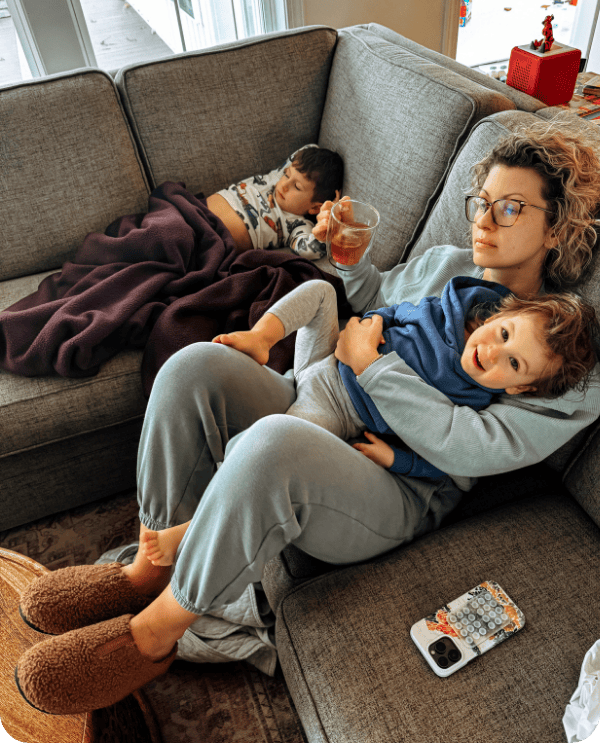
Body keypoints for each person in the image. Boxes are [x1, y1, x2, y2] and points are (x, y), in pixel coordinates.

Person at [15, 121, 600, 716]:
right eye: (481, 203)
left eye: (509, 208)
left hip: (395, 482)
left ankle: (156, 633)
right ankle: (148, 567)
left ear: (558, 225)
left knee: (275, 444)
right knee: (193, 367)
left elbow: (472, 447)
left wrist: (373, 369)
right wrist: (348, 258)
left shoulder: (558, 354)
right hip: (327, 392)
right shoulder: (447, 265)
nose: (483, 220)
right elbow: (372, 305)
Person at [140, 275, 598, 565]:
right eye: (502, 334)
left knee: (270, 441)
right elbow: (391, 313)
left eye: (513, 365)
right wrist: (368, 327)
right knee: (320, 292)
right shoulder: (448, 309)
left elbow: (442, 458)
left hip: (336, 407)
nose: (492, 352)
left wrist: (395, 457)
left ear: (518, 390)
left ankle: (197, 527)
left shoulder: (474, 397)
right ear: (499, 314)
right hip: (326, 364)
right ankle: (261, 337)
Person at [204, 143, 343, 258]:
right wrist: (318, 160)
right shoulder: (275, 178)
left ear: (315, 208)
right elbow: (308, 148)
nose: (285, 185)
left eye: (297, 187)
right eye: (287, 175)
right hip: (197, 210)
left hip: (211, 241)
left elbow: (309, 250)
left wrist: (330, 218)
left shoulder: (297, 225)